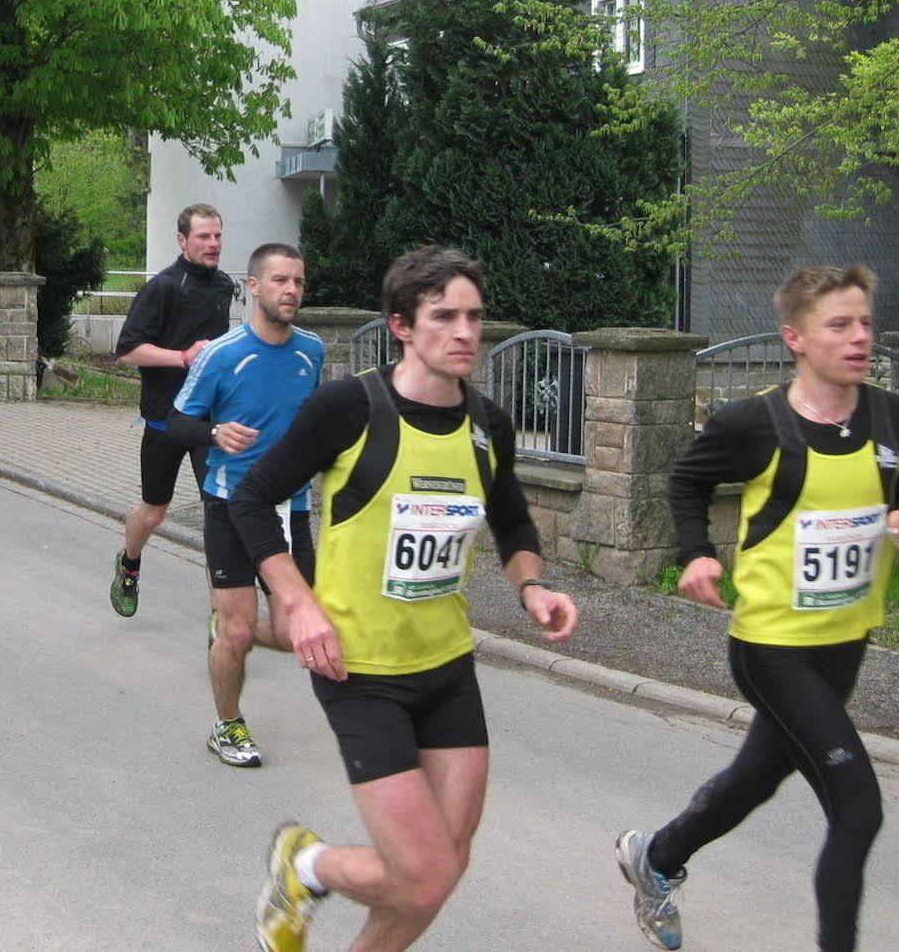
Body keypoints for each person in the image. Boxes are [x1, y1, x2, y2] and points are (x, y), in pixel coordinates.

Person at [230, 246, 578, 952]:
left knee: (443, 866)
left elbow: (511, 519)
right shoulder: (349, 406)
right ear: (400, 325)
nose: (464, 331)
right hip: (359, 670)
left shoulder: (486, 423)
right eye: (443, 315)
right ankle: (305, 864)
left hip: (446, 665)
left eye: (473, 316)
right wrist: (295, 599)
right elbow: (251, 496)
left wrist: (531, 585)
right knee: (421, 874)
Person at [613, 264, 899, 952]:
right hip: (769, 643)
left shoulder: (894, 418)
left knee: (752, 780)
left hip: (845, 638)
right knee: (857, 808)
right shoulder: (753, 421)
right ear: (794, 336)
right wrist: (695, 551)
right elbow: (686, 479)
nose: (857, 338)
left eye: (864, 323)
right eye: (837, 325)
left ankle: (657, 858)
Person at [166, 242, 323, 768]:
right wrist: (213, 432)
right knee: (237, 629)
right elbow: (177, 421)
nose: (292, 290)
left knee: (297, 629)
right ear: (253, 287)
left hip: (292, 508)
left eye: (298, 281)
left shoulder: (312, 351)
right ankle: (227, 723)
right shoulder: (222, 353)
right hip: (230, 505)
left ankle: (229, 629)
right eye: (280, 280)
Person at [108, 203, 236, 617]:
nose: (213, 243)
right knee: (154, 511)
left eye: (217, 235)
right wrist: (184, 357)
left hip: (208, 423)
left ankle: (221, 612)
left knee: (218, 512)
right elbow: (127, 351)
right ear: (183, 240)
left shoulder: (222, 286)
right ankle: (130, 563)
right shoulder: (163, 287)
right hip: (165, 419)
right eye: (204, 236)